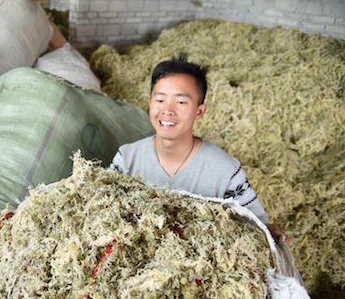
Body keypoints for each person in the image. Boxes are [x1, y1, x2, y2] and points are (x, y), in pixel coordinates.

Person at [110, 55, 291, 245]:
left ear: (199, 111)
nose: (168, 110)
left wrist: (270, 234)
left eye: (181, 102)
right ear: (150, 104)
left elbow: (257, 226)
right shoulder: (127, 158)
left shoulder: (226, 171)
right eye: (160, 100)